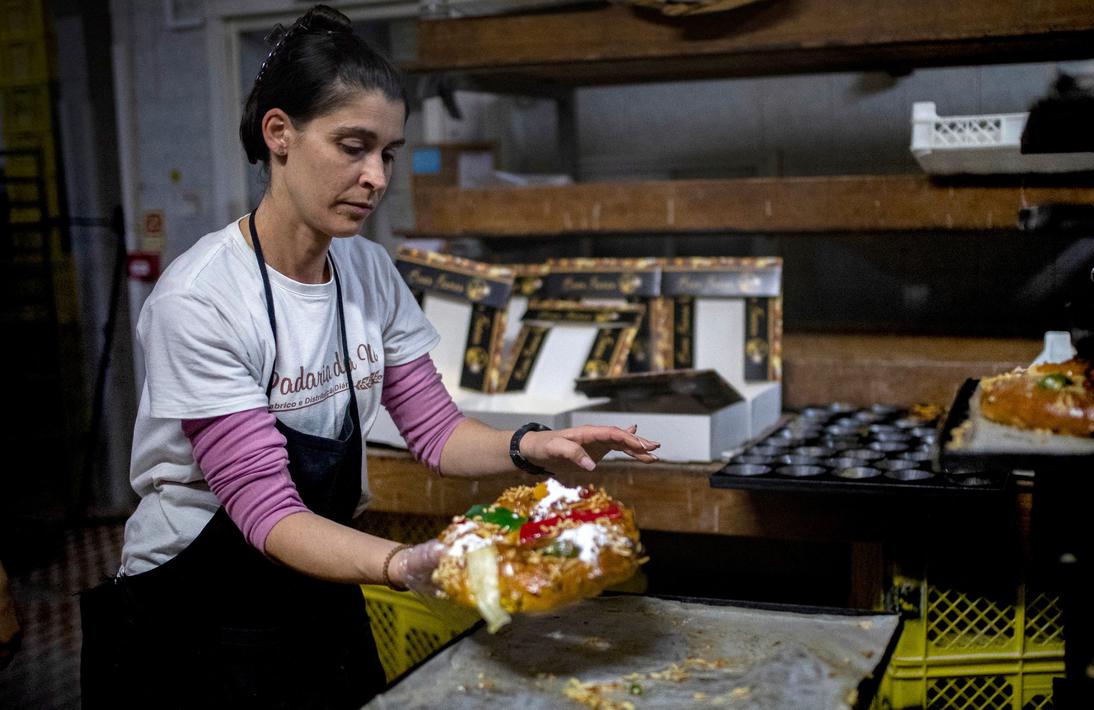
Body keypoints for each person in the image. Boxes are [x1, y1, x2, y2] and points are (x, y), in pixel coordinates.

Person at [78, 6, 659, 708]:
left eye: (387, 152)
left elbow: (437, 434)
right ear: (279, 134)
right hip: (199, 607)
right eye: (353, 146)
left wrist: (535, 445)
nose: (376, 177)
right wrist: (398, 563)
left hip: (323, 576)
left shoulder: (368, 271)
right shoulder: (201, 301)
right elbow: (266, 512)